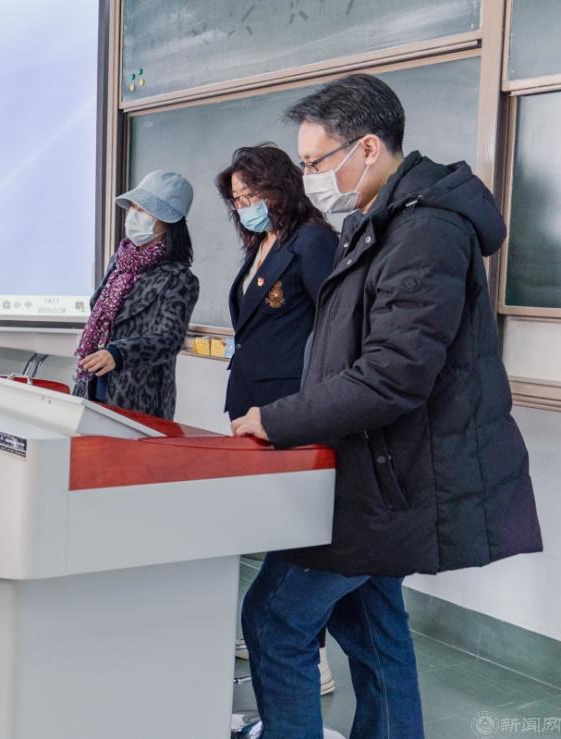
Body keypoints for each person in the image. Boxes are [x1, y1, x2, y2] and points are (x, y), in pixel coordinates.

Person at [232, 74, 542, 738]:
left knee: (276, 617)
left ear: (366, 147)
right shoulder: (381, 220)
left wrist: (279, 418)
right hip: (375, 470)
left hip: (388, 480)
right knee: (372, 627)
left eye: (315, 162)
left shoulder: (424, 230)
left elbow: (393, 374)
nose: (309, 178)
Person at [214, 145, 338, 693]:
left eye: (253, 195)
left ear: (281, 187)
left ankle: (312, 655)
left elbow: (333, 328)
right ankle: (280, 637)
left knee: (298, 528)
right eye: (238, 199)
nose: (245, 206)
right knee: (272, 522)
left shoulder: (312, 242)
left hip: (290, 407)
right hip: (250, 401)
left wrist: (306, 404)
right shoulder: (261, 244)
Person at [72, 169, 198, 420]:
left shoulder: (178, 278)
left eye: (144, 211)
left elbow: (168, 339)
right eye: (133, 207)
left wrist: (118, 353)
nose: (133, 215)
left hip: (138, 398)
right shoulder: (119, 262)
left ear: (168, 221)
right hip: (92, 386)